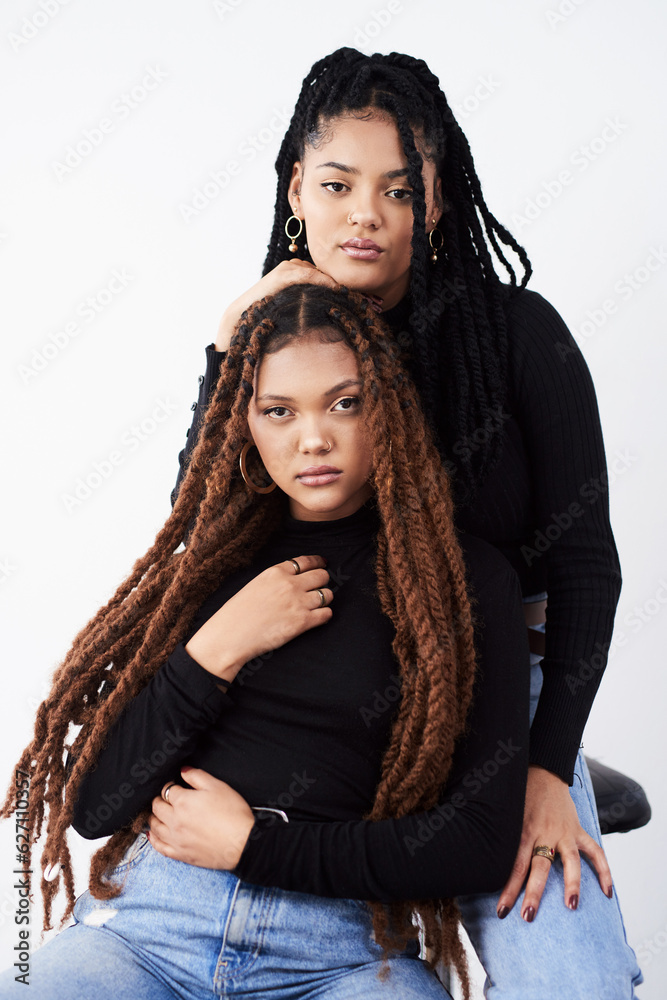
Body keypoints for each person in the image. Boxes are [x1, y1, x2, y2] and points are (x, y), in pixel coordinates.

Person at [170, 48, 643, 997]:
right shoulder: (273, 345)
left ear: (434, 195)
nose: (366, 215)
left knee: (573, 987)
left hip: (499, 701)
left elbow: (586, 565)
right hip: (322, 702)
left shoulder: (515, 334)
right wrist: (228, 348)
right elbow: (198, 537)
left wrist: (543, 771)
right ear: (295, 188)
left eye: (398, 187)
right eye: (339, 184)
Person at [0, 283, 530, 999]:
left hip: (341, 953)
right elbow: (96, 805)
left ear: (390, 407)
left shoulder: (464, 582)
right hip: (149, 930)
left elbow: (476, 843)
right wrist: (216, 648)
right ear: (245, 421)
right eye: (278, 411)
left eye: (345, 403)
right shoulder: (215, 564)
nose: (312, 439)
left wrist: (256, 846)